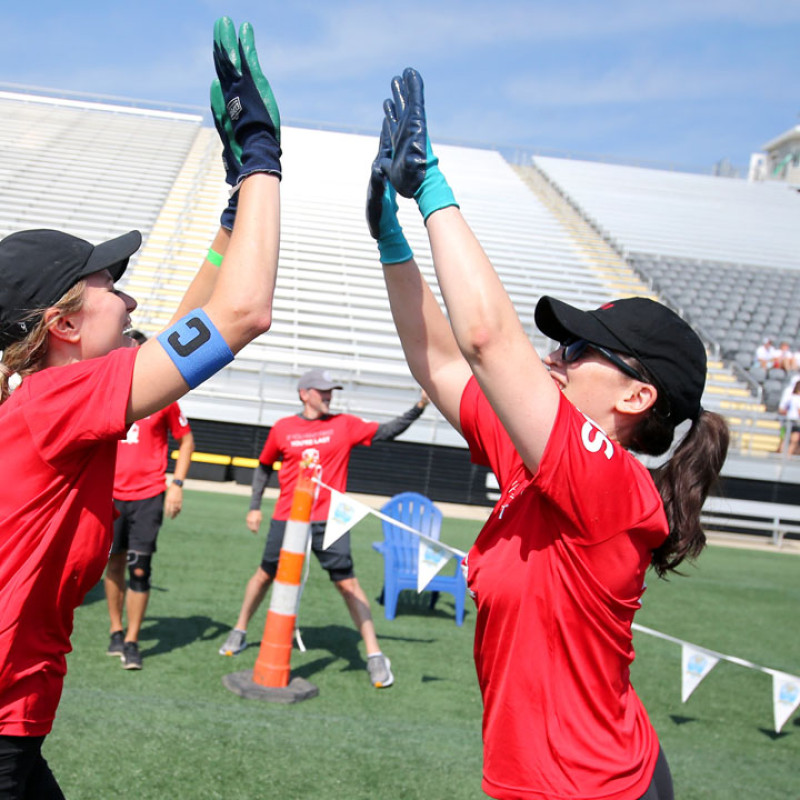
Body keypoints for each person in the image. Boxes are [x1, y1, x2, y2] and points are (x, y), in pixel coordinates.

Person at [367, 68, 729, 799]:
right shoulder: (540, 459)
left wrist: (431, 186)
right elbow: (439, 360)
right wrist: (390, 237)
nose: (552, 357)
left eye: (577, 349)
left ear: (637, 394)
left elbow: (483, 341)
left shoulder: (615, 488)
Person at [0, 17, 281, 797]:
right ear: (60, 326)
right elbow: (242, 315)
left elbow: (197, 317)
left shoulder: (50, 396)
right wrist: (262, 161)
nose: (127, 296)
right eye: (107, 284)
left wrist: (232, 213)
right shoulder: (63, 399)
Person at [218, 368, 429, 689]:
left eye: (331, 391)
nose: (329, 395)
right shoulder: (283, 428)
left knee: (348, 585)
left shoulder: (344, 425)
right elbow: (263, 467)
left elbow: (386, 431)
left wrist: (419, 408)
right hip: (288, 518)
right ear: (304, 394)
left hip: (331, 520)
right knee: (264, 575)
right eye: (322, 391)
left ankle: (374, 655)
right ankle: (241, 629)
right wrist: (254, 507)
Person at [104, 330, 195, 670]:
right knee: (113, 562)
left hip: (148, 495)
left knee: (139, 568)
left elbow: (186, 441)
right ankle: (115, 630)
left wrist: (177, 484)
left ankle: (132, 640)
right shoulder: (107, 391)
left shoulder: (164, 396)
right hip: (109, 495)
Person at [778, 380, 800, 455]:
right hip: (795, 421)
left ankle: (780, 456)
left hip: (787, 419)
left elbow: (783, 410)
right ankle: (788, 456)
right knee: (794, 441)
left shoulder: (791, 397)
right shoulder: (798, 398)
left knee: (785, 439)